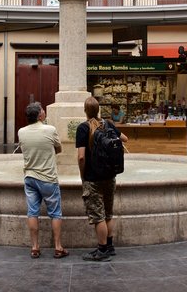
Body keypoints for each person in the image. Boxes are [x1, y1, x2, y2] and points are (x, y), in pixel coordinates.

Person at [76, 96, 128, 262]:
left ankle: (102, 250)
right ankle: (110, 246)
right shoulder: (108, 124)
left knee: (98, 216)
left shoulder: (83, 128)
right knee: (108, 213)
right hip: (110, 175)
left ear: (85, 110)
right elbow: (125, 139)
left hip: (93, 177)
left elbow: (81, 157)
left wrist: (83, 176)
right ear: (98, 109)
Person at [17, 101, 67, 259]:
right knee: (55, 213)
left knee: (32, 212)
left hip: (30, 177)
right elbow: (59, 148)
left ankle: (34, 247)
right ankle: (58, 247)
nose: (45, 112)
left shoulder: (21, 132)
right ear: (40, 115)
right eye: (43, 110)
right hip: (48, 178)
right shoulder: (50, 130)